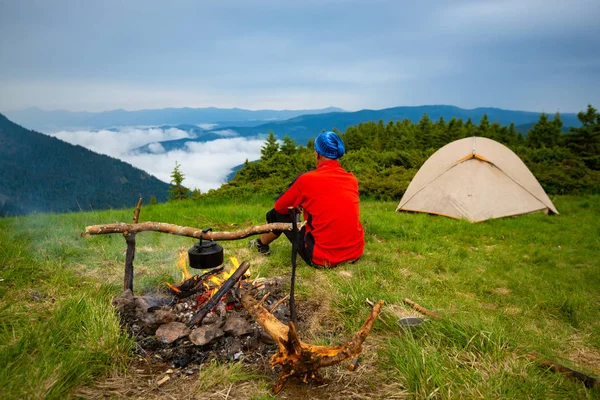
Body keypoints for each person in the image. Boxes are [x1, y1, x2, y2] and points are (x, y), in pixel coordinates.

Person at [249, 131, 364, 267]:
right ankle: (261, 244)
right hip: (355, 253)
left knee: (275, 213)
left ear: (318, 154)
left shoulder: (307, 180)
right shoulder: (351, 179)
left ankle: (260, 245)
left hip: (322, 258)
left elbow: (280, 207)